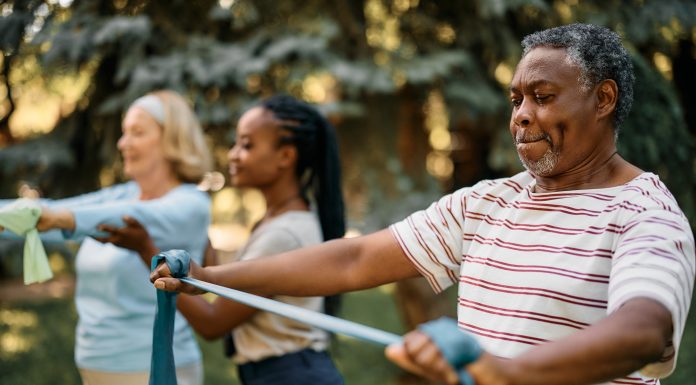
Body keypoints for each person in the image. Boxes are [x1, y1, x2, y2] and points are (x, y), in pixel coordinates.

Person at [151, 24, 695, 385]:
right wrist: (210, 276)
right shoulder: (488, 202)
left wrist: (507, 374)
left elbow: (646, 332)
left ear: (603, 99)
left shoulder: (644, 214)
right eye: (516, 100)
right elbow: (354, 259)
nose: (521, 115)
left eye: (543, 97)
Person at [102, 95, 346, 385]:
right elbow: (225, 289)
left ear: (285, 156)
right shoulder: (276, 220)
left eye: (246, 145)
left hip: (291, 375)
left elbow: (213, 322)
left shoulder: (284, 234)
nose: (232, 154)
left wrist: (146, 250)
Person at [1, 90, 213, 385]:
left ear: (171, 140)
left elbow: (126, 216)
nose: (122, 143)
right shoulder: (123, 193)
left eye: (137, 132)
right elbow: (58, 211)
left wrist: (56, 218)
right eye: (124, 132)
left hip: (154, 367)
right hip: (95, 365)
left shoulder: (191, 203)